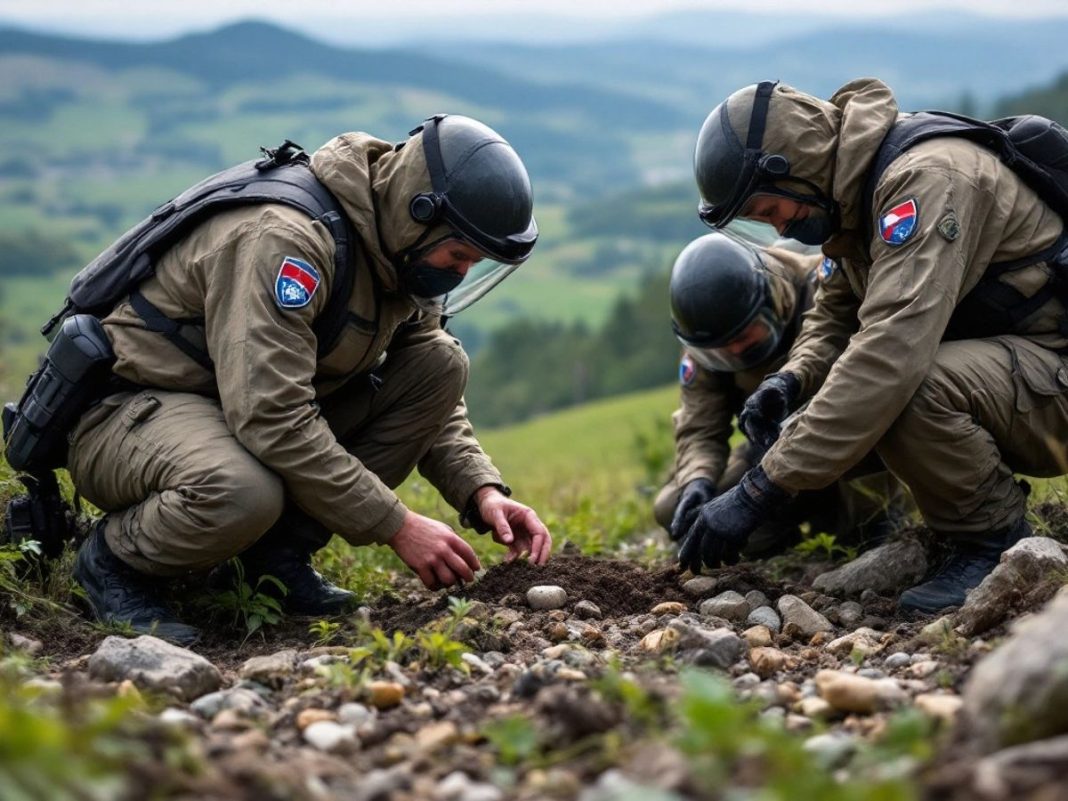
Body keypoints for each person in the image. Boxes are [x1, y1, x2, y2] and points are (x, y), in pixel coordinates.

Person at [65, 114, 553, 645]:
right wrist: (398, 526)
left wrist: (481, 491)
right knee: (241, 491)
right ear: (417, 214)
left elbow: (428, 393)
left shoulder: (398, 252)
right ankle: (113, 561)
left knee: (442, 363)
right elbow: (272, 417)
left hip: (232, 412)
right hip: (132, 412)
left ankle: (269, 561)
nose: (459, 272)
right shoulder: (287, 241)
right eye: (457, 255)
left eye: (472, 262)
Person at [686, 78, 1068, 613]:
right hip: (1024, 371)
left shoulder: (925, 180)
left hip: (1054, 368)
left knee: (907, 392)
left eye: (772, 211)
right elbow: (835, 314)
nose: (780, 232)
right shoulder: (853, 198)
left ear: (792, 165)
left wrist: (760, 490)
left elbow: (891, 352)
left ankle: (992, 541)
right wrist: (791, 380)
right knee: (821, 419)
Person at [655, 231, 909, 555]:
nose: (736, 353)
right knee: (675, 510)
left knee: (863, 535)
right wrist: (698, 480)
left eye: (747, 337)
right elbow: (699, 424)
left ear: (773, 299)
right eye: (723, 351)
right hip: (766, 453)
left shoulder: (827, 288)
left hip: (847, 448)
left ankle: (861, 519)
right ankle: (784, 527)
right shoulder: (707, 340)